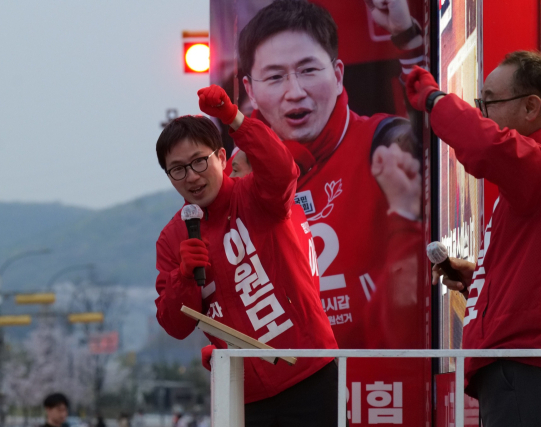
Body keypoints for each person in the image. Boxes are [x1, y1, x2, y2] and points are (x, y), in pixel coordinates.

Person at [238, 0, 424, 349]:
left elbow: (434, 145)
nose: (295, 92)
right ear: (251, 92)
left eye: (308, 70)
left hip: (385, 392)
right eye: (275, 76)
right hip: (295, 393)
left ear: (338, 75)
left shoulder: (384, 143)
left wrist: (407, 40)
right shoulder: (239, 178)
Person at [155, 85, 339, 426]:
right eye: (177, 169)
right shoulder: (172, 238)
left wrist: (234, 118)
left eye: (199, 161)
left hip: (308, 370)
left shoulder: (256, 196)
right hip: (241, 391)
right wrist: (183, 276)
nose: (191, 176)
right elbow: (174, 324)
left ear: (222, 159)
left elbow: (283, 171)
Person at [407, 51, 541, 425]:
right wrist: (478, 280)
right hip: (517, 365)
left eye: (489, 102)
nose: (482, 114)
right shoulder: (524, 179)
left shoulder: (532, 166)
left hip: (524, 365)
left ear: (531, 107)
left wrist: (434, 99)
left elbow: (485, 146)